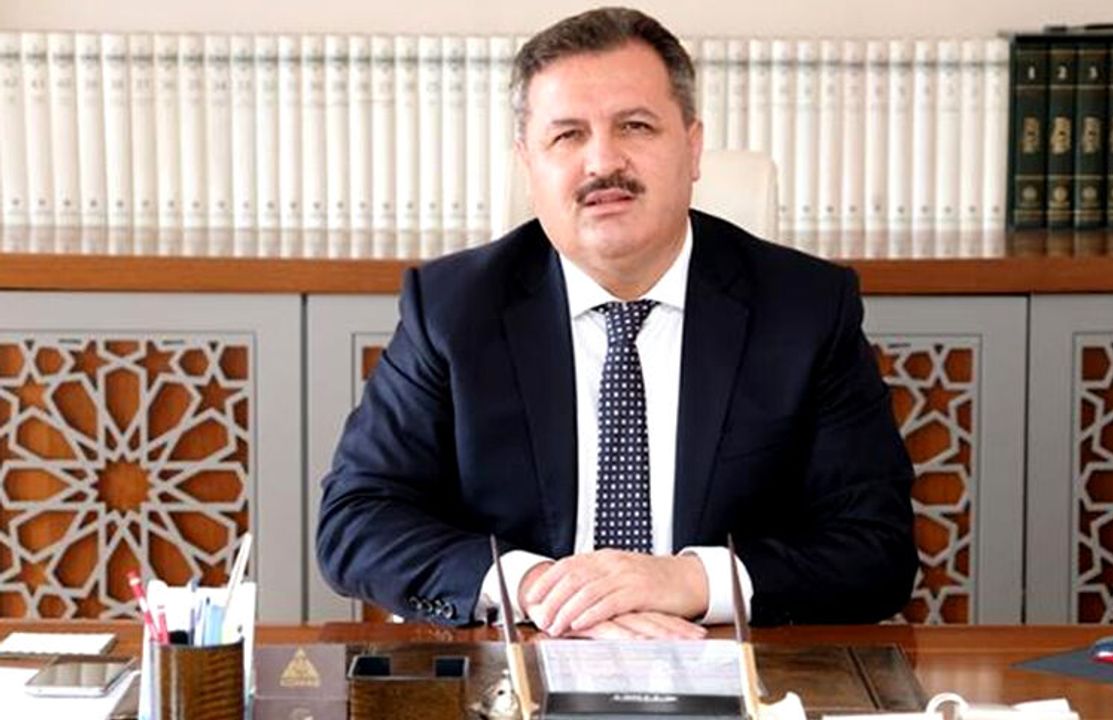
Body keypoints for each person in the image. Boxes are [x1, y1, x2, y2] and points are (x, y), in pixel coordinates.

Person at [317, 6, 917, 639]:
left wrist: (692, 581)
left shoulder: (805, 308)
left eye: (635, 126)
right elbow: (356, 521)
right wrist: (544, 591)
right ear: (529, 164)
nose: (603, 161)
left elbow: (877, 547)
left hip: (724, 659)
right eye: (567, 135)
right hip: (522, 657)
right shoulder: (452, 308)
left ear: (692, 148)